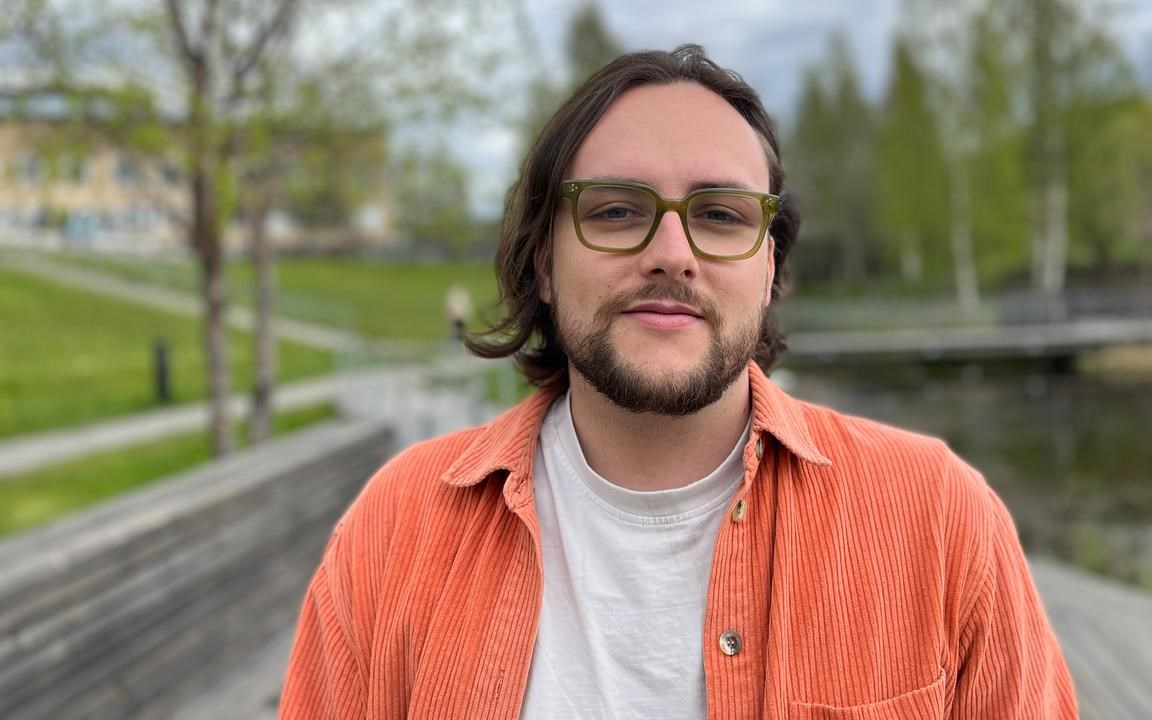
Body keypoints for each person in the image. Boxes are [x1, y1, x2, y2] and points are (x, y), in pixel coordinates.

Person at [279, 45, 1078, 719]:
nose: (672, 251)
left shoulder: (940, 519)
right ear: (543, 264)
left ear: (770, 270)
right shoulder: (395, 532)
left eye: (722, 215)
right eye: (618, 211)